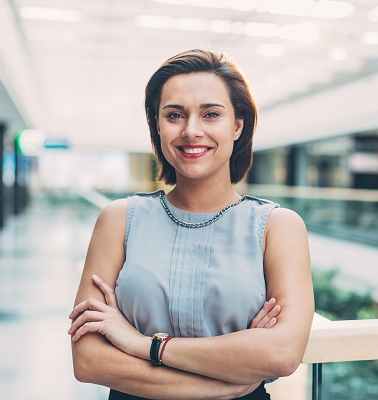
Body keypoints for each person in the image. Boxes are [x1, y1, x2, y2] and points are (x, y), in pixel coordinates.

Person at [68, 49, 314, 399]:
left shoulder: (278, 227)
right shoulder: (119, 219)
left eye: (211, 114)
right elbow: (89, 361)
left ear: (238, 124)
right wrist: (229, 381)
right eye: (174, 115)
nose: (191, 130)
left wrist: (143, 345)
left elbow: (281, 354)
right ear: (157, 125)